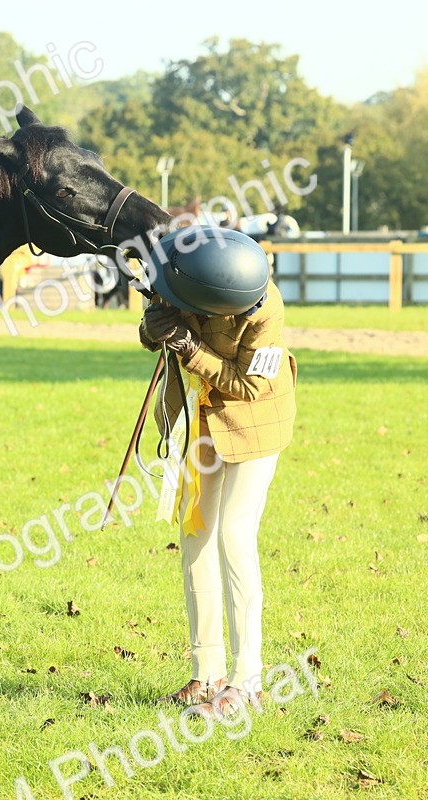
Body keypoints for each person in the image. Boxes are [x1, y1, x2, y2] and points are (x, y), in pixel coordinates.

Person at [137, 227, 297, 717]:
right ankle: (206, 672)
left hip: (255, 423)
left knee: (234, 534)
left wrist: (190, 347)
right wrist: (153, 327)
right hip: (198, 418)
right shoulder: (181, 276)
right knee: (196, 533)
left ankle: (248, 681)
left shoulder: (264, 309)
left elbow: (247, 386)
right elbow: (150, 338)